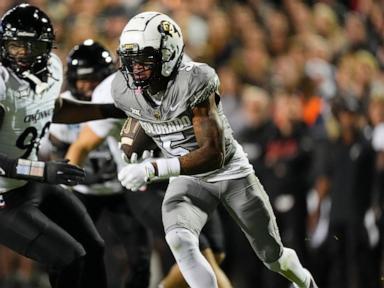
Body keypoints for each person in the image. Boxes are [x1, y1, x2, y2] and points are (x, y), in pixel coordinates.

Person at [113, 11, 318, 288]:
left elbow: (213, 154)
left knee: (272, 256)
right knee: (179, 240)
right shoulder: (124, 89)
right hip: (188, 179)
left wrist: (152, 168)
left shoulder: (195, 79)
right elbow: (144, 116)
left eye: (144, 59)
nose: (136, 69)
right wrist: (136, 147)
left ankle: (304, 281)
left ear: (169, 54)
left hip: (230, 174)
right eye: (131, 60)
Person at [63, 46, 232, 287]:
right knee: (201, 257)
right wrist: (63, 196)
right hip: (147, 185)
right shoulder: (112, 92)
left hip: (186, 175)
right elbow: (81, 145)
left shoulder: (184, 73)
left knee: (215, 254)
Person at [0, 4, 125, 288]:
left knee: (94, 247)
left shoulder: (53, 69)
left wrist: (106, 110)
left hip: (30, 184)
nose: (20, 54)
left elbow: (53, 108)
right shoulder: (2, 83)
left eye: (29, 46)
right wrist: (43, 171)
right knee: (70, 257)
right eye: (14, 45)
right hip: (4, 196)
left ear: (46, 47)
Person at [43, 39, 152, 288]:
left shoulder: (122, 98)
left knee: (140, 258)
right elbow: (51, 153)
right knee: (79, 252)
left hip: (121, 189)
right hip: (82, 192)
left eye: (96, 80)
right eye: (84, 80)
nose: (90, 87)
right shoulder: (65, 110)